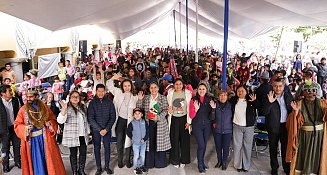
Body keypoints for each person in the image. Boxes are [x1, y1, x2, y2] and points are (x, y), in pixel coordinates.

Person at [14, 88, 66, 175]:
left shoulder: (44, 107)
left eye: (31, 97)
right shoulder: (23, 110)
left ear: (37, 96)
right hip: (32, 141)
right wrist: (25, 128)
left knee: (48, 160)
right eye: (27, 97)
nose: (28, 99)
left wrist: (49, 123)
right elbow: (17, 124)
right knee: (35, 160)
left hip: (44, 138)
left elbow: (52, 119)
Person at [286, 82, 327, 174]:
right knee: (303, 155)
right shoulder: (299, 104)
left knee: (318, 156)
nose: (311, 92)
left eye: (313, 90)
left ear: (317, 92)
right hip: (304, 136)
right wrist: (296, 112)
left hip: (319, 136)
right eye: (308, 90)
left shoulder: (322, 103)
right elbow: (292, 121)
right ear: (303, 92)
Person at [137, 82, 171, 169]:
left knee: (159, 143)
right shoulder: (146, 98)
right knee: (150, 142)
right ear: (149, 89)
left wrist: (158, 117)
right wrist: (140, 100)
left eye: (155, 87)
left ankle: (160, 163)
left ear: (158, 88)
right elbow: (139, 109)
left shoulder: (163, 98)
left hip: (160, 123)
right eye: (151, 88)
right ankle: (149, 163)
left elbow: (165, 110)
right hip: (148, 123)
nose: (153, 89)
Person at [107, 74, 138, 168]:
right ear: (122, 86)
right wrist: (113, 78)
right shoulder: (118, 92)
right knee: (120, 141)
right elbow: (109, 85)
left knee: (129, 141)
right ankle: (120, 160)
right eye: (125, 86)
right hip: (120, 120)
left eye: (129, 86)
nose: (127, 88)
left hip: (131, 121)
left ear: (131, 86)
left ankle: (127, 160)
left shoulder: (135, 96)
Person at [262, 78, 292, 175]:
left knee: (285, 149)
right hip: (273, 127)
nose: (278, 88)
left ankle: (286, 168)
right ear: (272, 86)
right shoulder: (268, 96)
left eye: (280, 86)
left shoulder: (288, 96)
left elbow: (292, 110)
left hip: (285, 127)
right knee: (273, 148)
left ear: (284, 87)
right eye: (275, 86)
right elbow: (264, 112)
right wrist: (270, 103)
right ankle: (274, 168)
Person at [58, 91, 89, 175]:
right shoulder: (67, 107)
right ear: (70, 98)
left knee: (83, 153)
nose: (75, 98)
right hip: (72, 136)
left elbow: (86, 121)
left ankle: (81, 170)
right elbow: (60, 121)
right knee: (73, 154)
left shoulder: (83, 107)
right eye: (73, 97)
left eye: (77, 97)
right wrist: (63, 109)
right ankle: (74, 171)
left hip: (82, 134)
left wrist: (88, 132)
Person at [88, 84, 116, 175]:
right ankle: (99, 168)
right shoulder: (92, 103)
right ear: (96, 91)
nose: (100, 93)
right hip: (96, 130)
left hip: (107, 130)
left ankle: (107, 167)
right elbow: (90, 118)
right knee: (97, 148)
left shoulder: (109, 102)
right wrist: (100, 129)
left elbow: (113, 117)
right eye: (99, 91)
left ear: (105, 92)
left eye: (102, 91)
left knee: (107, 148)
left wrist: (106, 129)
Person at [230, 85, 258, 172]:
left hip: (249, 127)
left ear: (246, 91)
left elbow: (260, 107)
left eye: (242, 91)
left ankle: (246, 166)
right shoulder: (233, 100)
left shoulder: (251, 100)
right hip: (237, 126)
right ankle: (238, 165)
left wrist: (255, 101)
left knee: (247, 146)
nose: (240, 92)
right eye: (239, 91)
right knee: (237, 146)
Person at [167, 78, 192, 168]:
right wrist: (168, 110)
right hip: (174, 119)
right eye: (176, 84)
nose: (178, 86)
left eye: (180, 84)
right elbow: (168, 105)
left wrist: (189, 122)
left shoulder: (187, 93)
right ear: (174, 85)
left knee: (184, 141)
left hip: (184, 119)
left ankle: (184, 160)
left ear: (183, 84)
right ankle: (175, 160)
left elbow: (190, 108)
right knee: (174, 140)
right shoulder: (170, 92)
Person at [192, 83, 213, 173]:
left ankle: (202, 162)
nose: (201, 91)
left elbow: (212, 116)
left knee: (204, 145)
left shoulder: (210, 100)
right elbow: (191, 115)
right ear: (197, 90)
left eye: (203, 89)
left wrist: (214, 108)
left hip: (207, 125)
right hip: (197, 125)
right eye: (200, 89)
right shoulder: (194, 99)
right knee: (201, 145)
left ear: (206, 90)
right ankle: (200, 164)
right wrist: (195, 109)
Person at [0, 84, 21, 173]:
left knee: (17, 146)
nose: (11, 92)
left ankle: (17, 161)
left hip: (15, 127)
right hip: (3, 129)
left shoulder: (15, 100)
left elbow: (20, 112)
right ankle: (5, 165)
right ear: (3, 93)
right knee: (5, 148)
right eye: (9, 91)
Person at [211, 91, 233, 170]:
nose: (222, 97)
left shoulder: (230, 106)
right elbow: (212, 118)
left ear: (227, 97)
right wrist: (213, 110)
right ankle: (219, 161)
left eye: (224, 95)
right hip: (217, 130)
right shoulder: (215, 105)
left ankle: (224, 162)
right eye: (221, 95)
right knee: (218, 147)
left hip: (228, 130)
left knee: (226, 147)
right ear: (218, 96)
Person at [126, 108, 149, 175]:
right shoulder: (131, 123)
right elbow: (128, 132)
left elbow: (147, 131)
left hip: (143, 143)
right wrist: (132, 138)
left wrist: (144, 139)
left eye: (139, 113)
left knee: (142, 155)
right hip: (135, 143)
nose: (137, 115)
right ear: (133, 115)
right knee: (136, 156)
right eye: (135, 114)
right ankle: (136, 168)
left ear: (142, 114)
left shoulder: (144, 122)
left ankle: (142, 166)